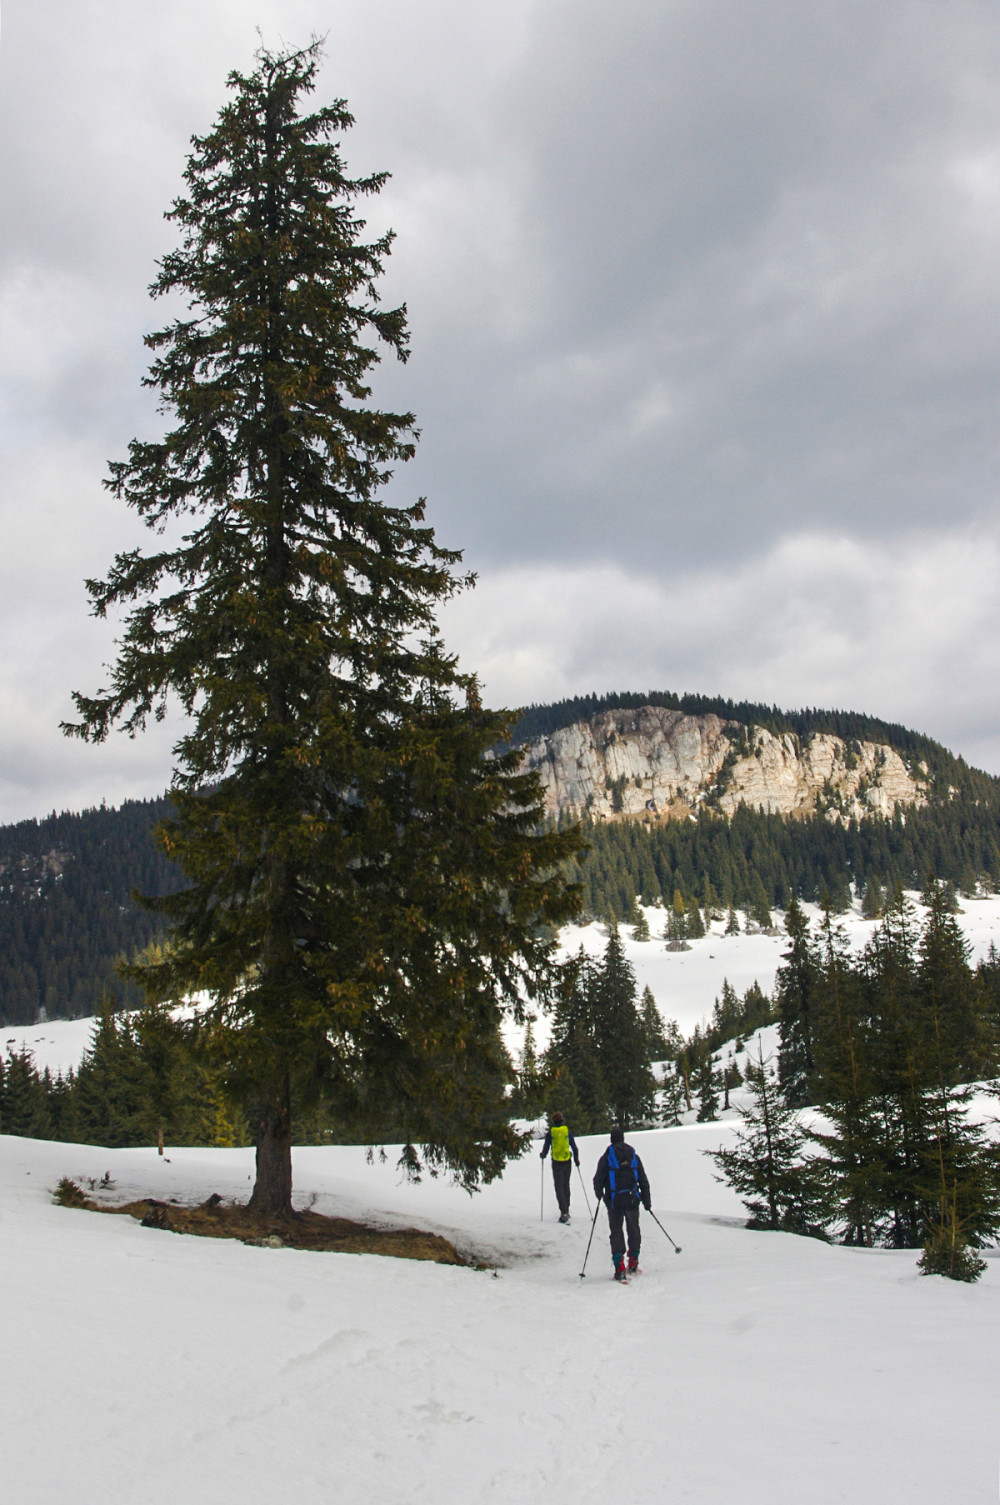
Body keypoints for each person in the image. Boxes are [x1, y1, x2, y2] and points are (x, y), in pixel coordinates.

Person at [593, 1126, 651, 1280]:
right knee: (634, 1229)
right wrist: (647, 1201)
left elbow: (597, 1179)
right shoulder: (633, 1156)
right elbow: (643, 1180)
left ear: (611, 1139)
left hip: (614, 1202)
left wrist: (600, 1195)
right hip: (632, 1200)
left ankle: (619, 1265)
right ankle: (634, 1260)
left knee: (616, 1231)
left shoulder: (606, 1157)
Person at [539, 1111, 580, 1223]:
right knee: (566, 1185)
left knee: (559, 1187)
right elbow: (575, 1148)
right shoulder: (567, 1132)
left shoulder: (551, 1133)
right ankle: (567, 1208)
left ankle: (564, 1211)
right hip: (567, 1161)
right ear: (562, 1120)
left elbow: (546, 1147)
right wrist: (576, 1160)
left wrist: (543, 1155)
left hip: (556, 1162)